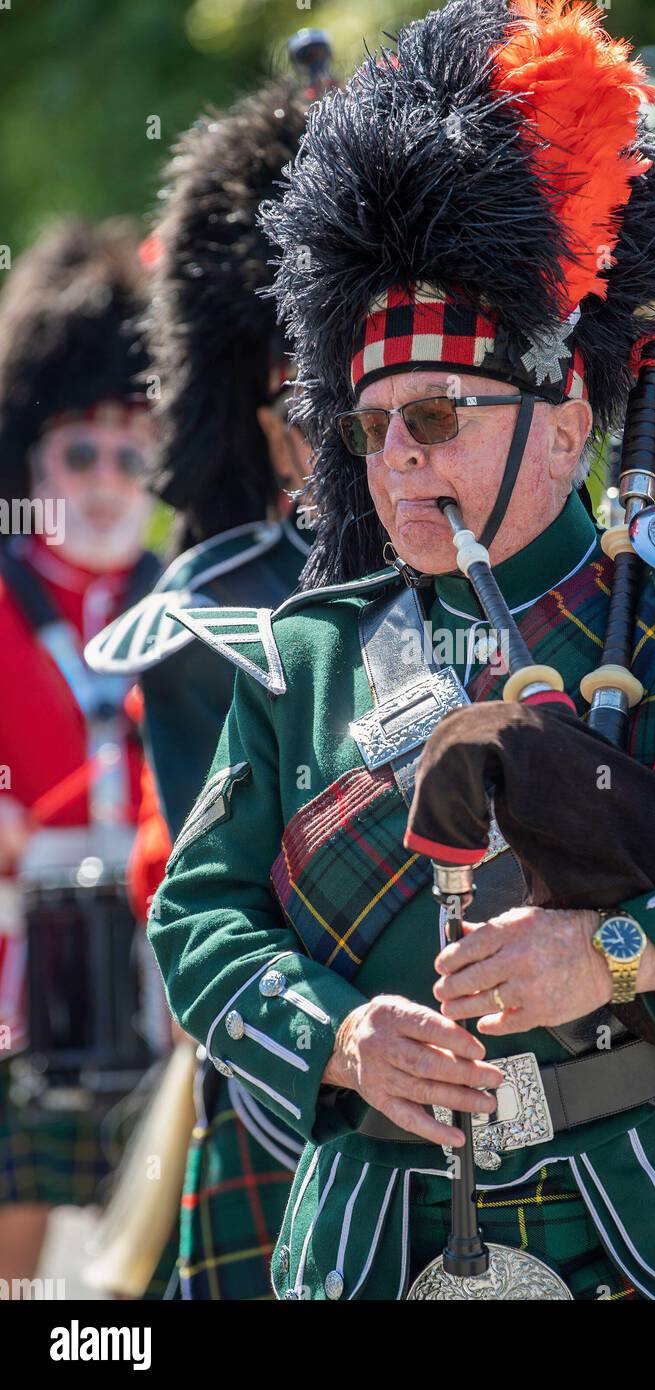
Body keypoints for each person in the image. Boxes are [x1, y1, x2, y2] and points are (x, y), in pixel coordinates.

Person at [149, 0, 655, 1300]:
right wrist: (339, 1036)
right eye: (369, 426)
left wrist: (621, 950)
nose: (395, 461)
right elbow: (198, 915)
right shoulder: (307, 654)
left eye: (436, 415)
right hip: (372, 1246)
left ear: (563, 421)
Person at [85, 75, 317, 1301]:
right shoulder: (206, 615)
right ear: (258, 412)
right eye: (311, 404)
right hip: (295, 1088)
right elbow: (202, 903)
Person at [0, 219, 158, 1282]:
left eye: (132, 453)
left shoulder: (187, 598)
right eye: (81, 452)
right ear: (31, 453)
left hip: (151, 974)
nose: (107, 480)